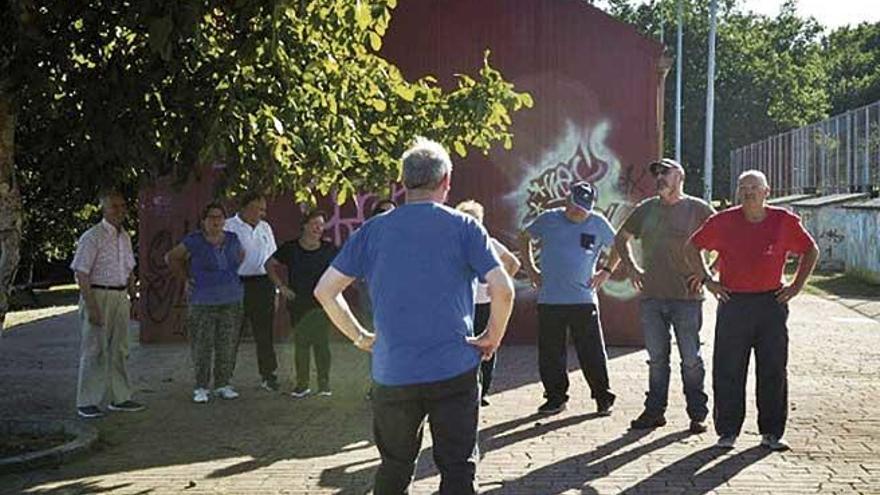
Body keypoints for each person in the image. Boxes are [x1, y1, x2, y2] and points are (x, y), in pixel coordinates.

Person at [314, 138, 514, 494]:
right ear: (446, 181)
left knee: (394, 468)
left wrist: (361, 337)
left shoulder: (372, 231)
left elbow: (324, 291)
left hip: (394, 372)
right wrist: (491, 338)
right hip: (454, 370)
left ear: (403, 181)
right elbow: (504, 290)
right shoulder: (466, 227)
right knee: (457, 470)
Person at [687, 170, 819, 451]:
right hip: (733, 303)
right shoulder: (722, 221)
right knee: (728, 369)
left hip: (771, 303)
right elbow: (692, 247)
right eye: (743, 187)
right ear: (738, 192)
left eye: (754, 187)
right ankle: (727, 432)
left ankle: (772, 433)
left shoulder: (783, 221)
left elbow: (811, 250)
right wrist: (708, 281)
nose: (749, 192)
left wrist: (796, 287)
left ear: (766, 191)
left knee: (773, 369)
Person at [614, 159, 714, 434]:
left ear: (679, 175)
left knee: (690, 359)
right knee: (657, 359)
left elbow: (726, 239)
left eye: (665, 172)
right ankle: (654, 412)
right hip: (652, 297)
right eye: (656, 173)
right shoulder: (645, 210)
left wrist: (708, 273)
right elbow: (620, 237)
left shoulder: (697, 209)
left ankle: (698, 414)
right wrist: (632, 266)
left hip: (687, 298)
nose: (659, 177)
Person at [519, 181, 620, 416]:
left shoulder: (597, 222)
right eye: (575, 206)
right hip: (550, 300)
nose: (578, 212)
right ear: (567, 199)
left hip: (583, 300)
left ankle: (603, 396)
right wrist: (531, 269)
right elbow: (523, 237)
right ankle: (555, 398)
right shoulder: (548, 219)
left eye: (584, 208)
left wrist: (606, 271)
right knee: (551, 353)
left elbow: (619, 246)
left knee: (592, 352)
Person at [70, 190, 144, 418]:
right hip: (98, 294)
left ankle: (120, 397)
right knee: (95, 349)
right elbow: (81, 273)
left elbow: (129, 270)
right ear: (104, 209)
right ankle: (87, 401)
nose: (120, 211)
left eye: (122, 206)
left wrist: (134, 297)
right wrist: (92, 307)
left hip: (120, 296)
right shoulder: (92, 237)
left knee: (120, 349)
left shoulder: (125, 237)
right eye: (114, 206)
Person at [166, 202, 245, 403]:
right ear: (204, 221)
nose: (216, 221)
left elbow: (240, 256)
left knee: (227, 343)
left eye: (219, 217)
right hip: (202, 301)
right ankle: (201, 387)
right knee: (202, 345)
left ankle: (223, 384)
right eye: (211, 217)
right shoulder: (194, 241)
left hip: (231, 299)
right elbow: (172, 257)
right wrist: (185, 278)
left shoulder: (233, 239)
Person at [455, 199, 521, 406]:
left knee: (486, 347)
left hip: (484, 303)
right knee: (462, 346)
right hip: (463, 304)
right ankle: (466, 388)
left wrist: (500, 286)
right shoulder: (455, 243)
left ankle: (483, 390)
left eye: (474, 220)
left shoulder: (489, 243)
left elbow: (513, 262)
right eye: (466, 219)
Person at [266, 210, 338, 398]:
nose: (318, 228)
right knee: (301, 344)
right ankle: (302, 385)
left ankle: (324, 385)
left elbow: (342, 270)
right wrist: (281, 287)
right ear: (304, 226)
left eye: (321, 225)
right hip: (298, 303)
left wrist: (334, 291)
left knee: (322, 344)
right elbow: (269, 264)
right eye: (314, 224)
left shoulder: (329, 249)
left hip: (322, 303)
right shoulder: (290, 248)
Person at [224, 192, 280, 391]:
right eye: (259, 209)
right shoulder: (229, 226)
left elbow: (271, 260)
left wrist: (276, 290)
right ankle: (224, 378)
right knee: (231, 333)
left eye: (264, 209)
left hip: (263, 284)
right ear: (246, 208)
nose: (262, 213)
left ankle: (268, 376)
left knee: (264, 333)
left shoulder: (265, 228)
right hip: (236, 283)